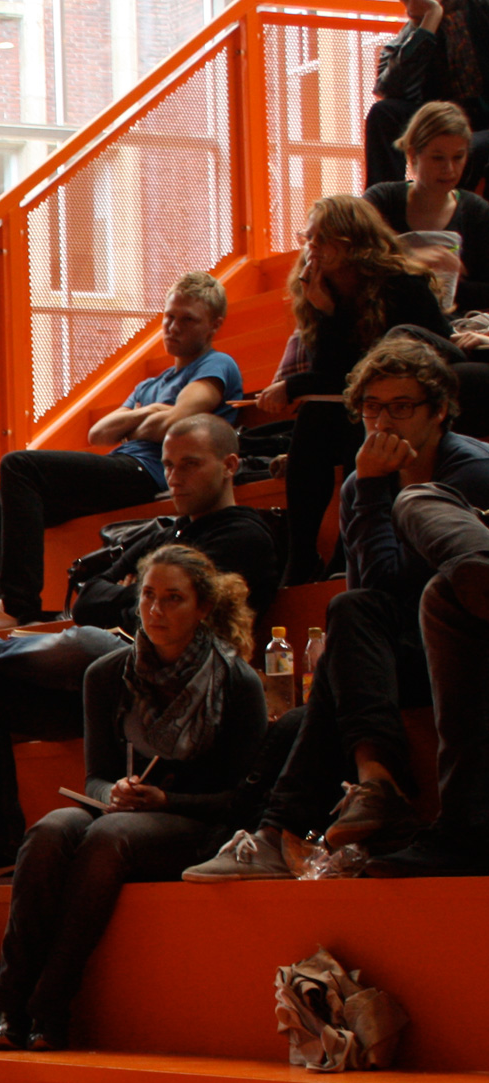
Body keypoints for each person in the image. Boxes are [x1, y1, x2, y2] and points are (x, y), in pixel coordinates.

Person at [0, 414, 279, 878]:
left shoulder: (244, 535)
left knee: (86, 642)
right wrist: (124, 599)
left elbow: (143, 622)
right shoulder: (165, 533)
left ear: (230, 466)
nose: (174, 477)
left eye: (190, 464)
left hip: (187, 688)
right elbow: (87, 598)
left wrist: (128, 599)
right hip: (115, 689)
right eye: (167, 465)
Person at [190, 335, 489, 877]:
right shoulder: (360, 483)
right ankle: (359, 794)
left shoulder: (470, 472)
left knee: (344, 642)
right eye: (372, 408)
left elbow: (412, 592)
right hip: (399, 654)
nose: (384, 422)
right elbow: (374, 593)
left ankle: (292, 828)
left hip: (462, 643)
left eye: (402, 407)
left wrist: (374, 491)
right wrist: (367, 488)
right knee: (335, 650)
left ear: (440, 410)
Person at [0, 547, 264, 1049]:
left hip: (196, 821)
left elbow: (242, 799)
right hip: (122, 810)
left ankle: (50, 1006)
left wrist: (165, 800)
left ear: (203, 608)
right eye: (148, 596)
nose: (156, 610)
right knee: (50, 830)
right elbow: (96, 777)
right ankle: (9, 1007)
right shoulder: (106, 674)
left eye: (173, 599)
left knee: (108, 836)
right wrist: (113, 790)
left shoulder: (236, 681)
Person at [0, 273, 243, 630]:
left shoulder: (216, 364)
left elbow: (176, 422)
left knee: (19, 465)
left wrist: (139, 420)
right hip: (120, 467)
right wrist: (150, 413)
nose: (173, 327)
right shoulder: (150, 384)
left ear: (214, 324)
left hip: (149, 473)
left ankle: (17, 605)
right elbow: (99, 433)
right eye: (169, 316)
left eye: (188, 319)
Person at [254, 194, 451, 583]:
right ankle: (301, 554)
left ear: (352, 240)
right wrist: (326, 311)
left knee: (356, 420)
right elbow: (333, 374)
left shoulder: (402, 285)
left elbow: (378, 369)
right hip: (356, 402)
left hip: (408, 400)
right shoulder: (318, 290)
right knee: (316, 418)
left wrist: (294, 384)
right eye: (308, 238)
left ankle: (348, 554)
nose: (312, 248)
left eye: (322, 238)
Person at [363, 477, 489, 872]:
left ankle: (463, 831)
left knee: (420, 499)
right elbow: (378, 584)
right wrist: (368, 487)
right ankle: (464, 829)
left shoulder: (469, 463)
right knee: (421, 499)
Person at [368, 103, 489, 315]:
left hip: (454, 327)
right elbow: (353, 263)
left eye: (458, 157)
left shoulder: (477, 212)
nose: (449, 169)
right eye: (437, 158)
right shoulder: (381, 200)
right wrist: (409, 259)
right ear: (413, 155)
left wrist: (451, 281)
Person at [366, 0, 489, 189]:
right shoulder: (419, 26)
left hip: (483, 119)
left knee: (467, 146)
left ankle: (455, 205)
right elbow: (389, 88)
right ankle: (385, 200)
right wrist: (428, 20)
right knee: (384, 113)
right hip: (441, 113)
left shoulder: (481, 10)